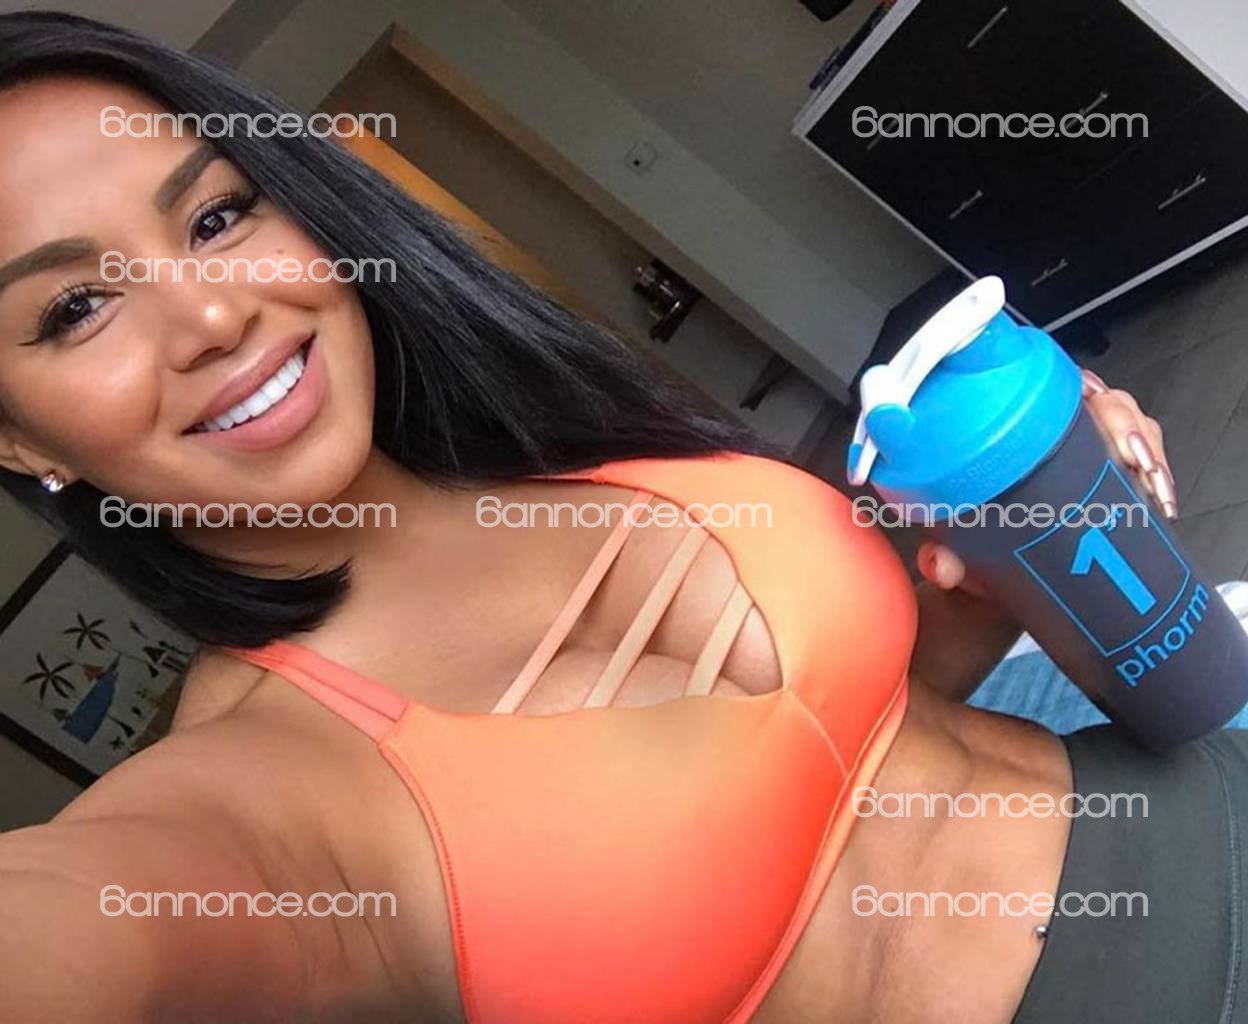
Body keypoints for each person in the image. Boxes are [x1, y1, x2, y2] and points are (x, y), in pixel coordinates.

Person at [0, 13, 1242, 1023]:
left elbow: (879, 733)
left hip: (1200, 790)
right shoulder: (242, 790)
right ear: (17, 440)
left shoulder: (554, 436)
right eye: (75, 309)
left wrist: (1006, 534)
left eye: (217, 218)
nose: (213, 315)